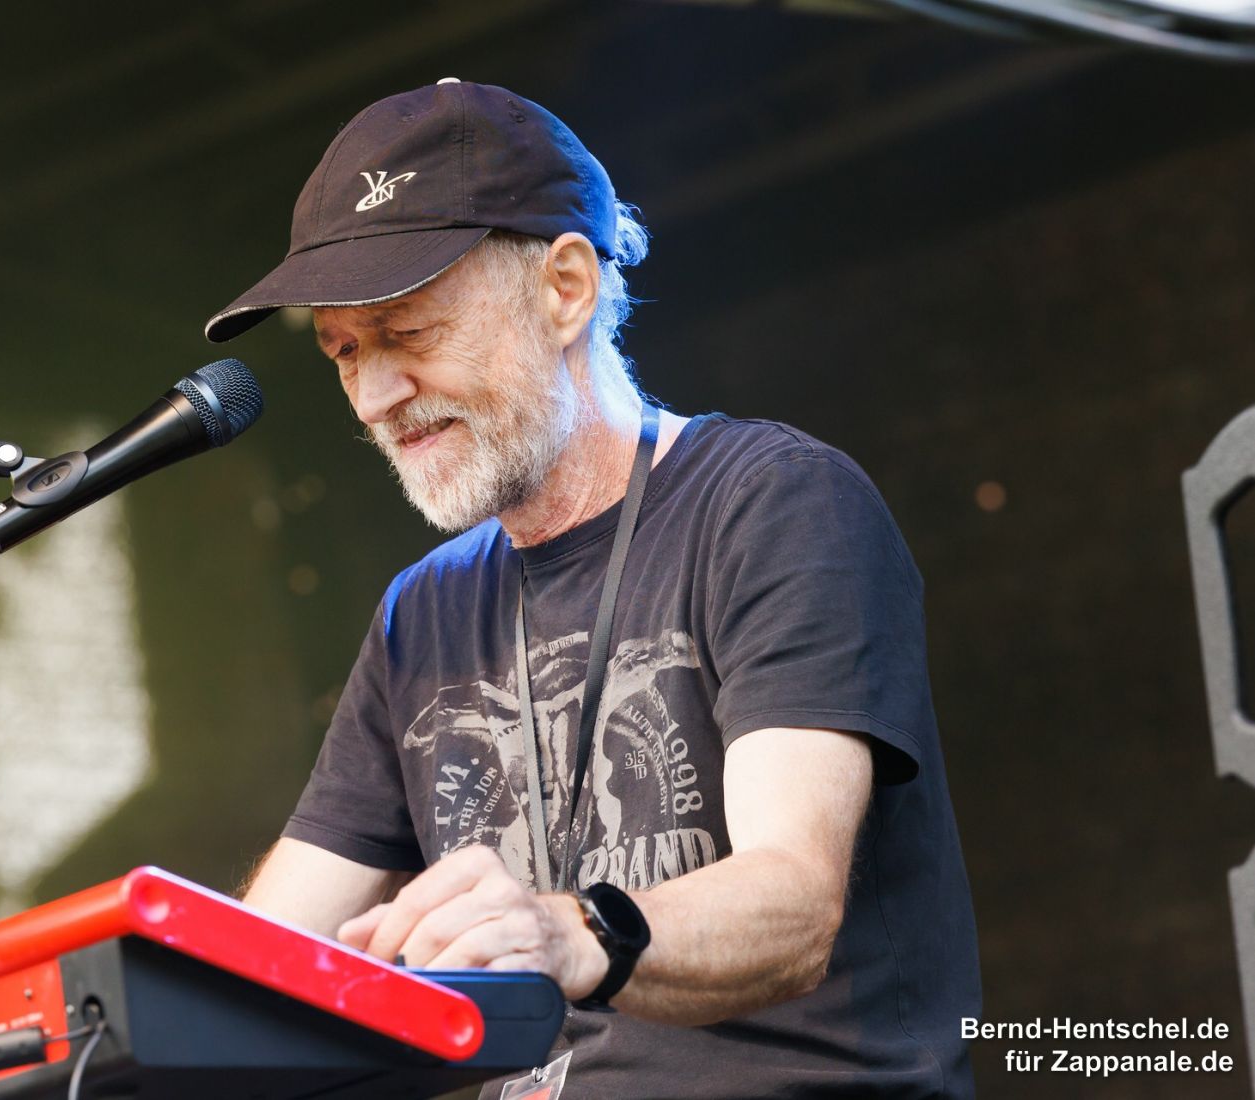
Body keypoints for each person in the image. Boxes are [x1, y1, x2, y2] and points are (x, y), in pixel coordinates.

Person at [204, 78, 980, 1098]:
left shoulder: (774, 500)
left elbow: (792, 901)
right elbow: (261, 958)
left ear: (564, 288)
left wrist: (567, 932)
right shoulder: (419, 613)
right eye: (343, 352)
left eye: (409, 333)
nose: (374, 397)